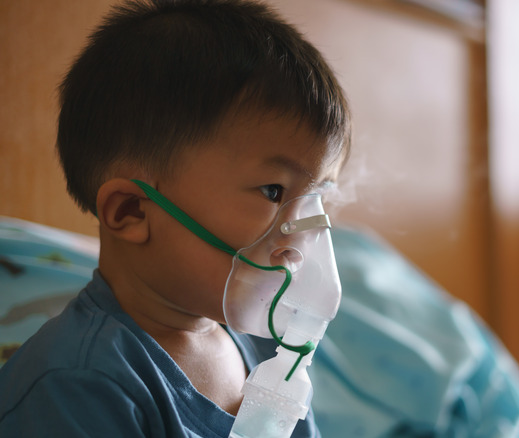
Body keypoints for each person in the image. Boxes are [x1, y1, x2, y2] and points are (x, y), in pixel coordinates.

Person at [0, 0, 350, 436]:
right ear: (132, 211)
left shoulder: (267, 355)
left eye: (316, 201)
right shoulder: (77, 383)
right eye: (273, 191)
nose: (302, 237)